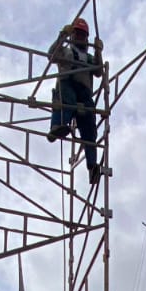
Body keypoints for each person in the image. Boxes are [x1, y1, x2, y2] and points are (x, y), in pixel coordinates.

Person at [46, 17, 105, 185]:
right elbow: (51, 55)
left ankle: (92, 165)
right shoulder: (66, 51)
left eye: (83, 35)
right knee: (65, 101)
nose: (80, 38)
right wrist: (62, 36)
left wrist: (99, 51)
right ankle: (57, 127)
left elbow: (99, 71)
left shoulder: (88, 57)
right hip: (67, 84)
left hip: (84, 91)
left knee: (89, 128)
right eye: (77, 34)